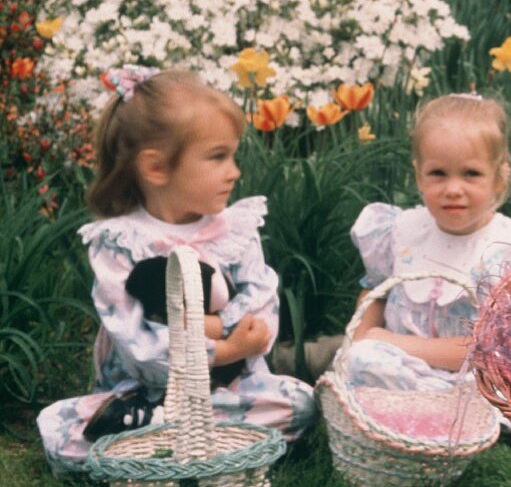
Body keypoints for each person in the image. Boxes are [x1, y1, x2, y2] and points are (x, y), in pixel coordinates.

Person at [37, 67, 316, 477]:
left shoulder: (234, 228)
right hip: (145, 392)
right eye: (218, 156)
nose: (234, 171)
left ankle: (156, 447)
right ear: (156, 168)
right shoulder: (121, 243)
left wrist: (217, 327)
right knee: (61, 431)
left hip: (231, 390)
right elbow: (136, 346)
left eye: (233, 155)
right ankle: (178, 435)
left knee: (301, 403)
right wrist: (225, 349)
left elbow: (261, 307)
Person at [339, 93, 511, 408]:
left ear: (498, 178)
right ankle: (399, 406)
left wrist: (392, 342)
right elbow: (374, 291)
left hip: (465, 376)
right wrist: (363, 337)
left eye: (471, 174)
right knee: (361, 358)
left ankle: (437, 412)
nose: (453, 189)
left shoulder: (500, 251)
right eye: (438, 174)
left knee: (485, 387)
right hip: (397, 366)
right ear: (419, 175)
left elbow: (485, 348)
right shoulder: (401, 230)